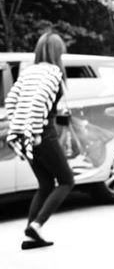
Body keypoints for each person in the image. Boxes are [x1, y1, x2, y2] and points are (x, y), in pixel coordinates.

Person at [5, 32, 75, 249]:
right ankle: (37, 224)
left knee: (45, 184)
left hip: (26, 134)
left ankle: (31, 236)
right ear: (58, 51)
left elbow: (11, 101)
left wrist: (21, 127)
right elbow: (38, 102)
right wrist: (35, 130)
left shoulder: (28, 72)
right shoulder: (53, 73)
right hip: (41, 133)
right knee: (67, 181)